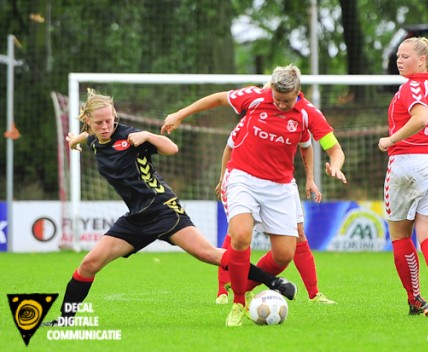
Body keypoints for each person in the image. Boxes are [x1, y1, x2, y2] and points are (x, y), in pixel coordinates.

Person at [44, 89, 296, 326]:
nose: (106, 126)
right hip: (136, 218)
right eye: (99, 123)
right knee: (89, 264)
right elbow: (88, 137)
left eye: (109, 120)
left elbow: (172, 148)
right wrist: (74, 140)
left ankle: (273, 281)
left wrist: (148, 136)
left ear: (115, 116)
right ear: (88, 121)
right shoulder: (95, 140)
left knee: (208, 254)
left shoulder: (129, 136)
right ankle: (66, 319)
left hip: (163, 208)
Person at [162, 64, 347, 327]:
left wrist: (335, 166)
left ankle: (247, 286)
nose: (282, 105)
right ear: (271, 89)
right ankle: (238, 302)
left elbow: (334, 147)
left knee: (283, 255)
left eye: (287, 100)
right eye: (278, 99)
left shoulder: (308, 114)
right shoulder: (256, 97)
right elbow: (217, 98)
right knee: (239, 236)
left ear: (298, 92)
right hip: (243, 178)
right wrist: (180, 114)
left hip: (280, 187)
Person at [377, 37, 428, 317]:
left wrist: (391, 139)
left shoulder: (412, 86)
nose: (400, 61)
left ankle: (415, 300)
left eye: (406, 56)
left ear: (422, 60)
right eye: (398, 56)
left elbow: (421, 118)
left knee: (400, 236)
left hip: (411, 162)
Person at [215, 134, 336, 305]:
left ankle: (314, 294)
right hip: (246, 182)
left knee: (297, 235)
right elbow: (230, 147)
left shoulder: (299, 117)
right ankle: (223, 291)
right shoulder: (253, 117)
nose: (281, 105)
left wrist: (310, 179)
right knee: (239, 233)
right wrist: (222, 178)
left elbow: (308, 146)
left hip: (282, 184)